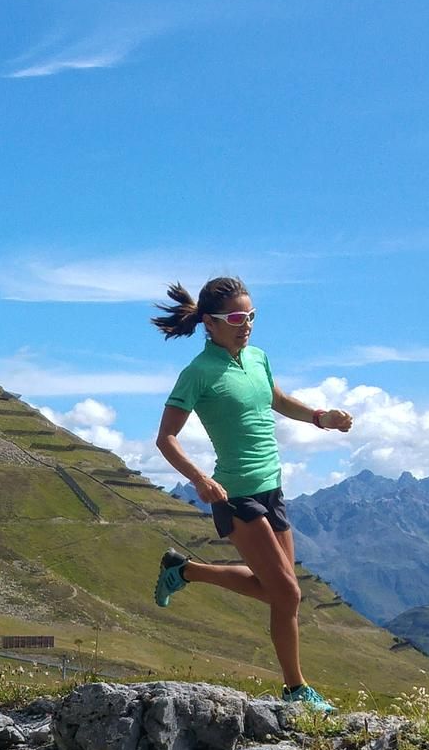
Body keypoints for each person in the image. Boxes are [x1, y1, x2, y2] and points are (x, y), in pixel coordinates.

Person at [147, 276, 353, 713]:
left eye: (252, 316)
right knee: (288, 595)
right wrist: (200, 480)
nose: (248, 325)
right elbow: (166, 438)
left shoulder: (257, 358)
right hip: (236, 495)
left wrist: (321, 417)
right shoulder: (198, 373)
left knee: (279, 589)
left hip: (272, 489)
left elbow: (276, 399)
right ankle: (296, 690)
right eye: (238, 318)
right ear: (211, 323)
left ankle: (184, 572)